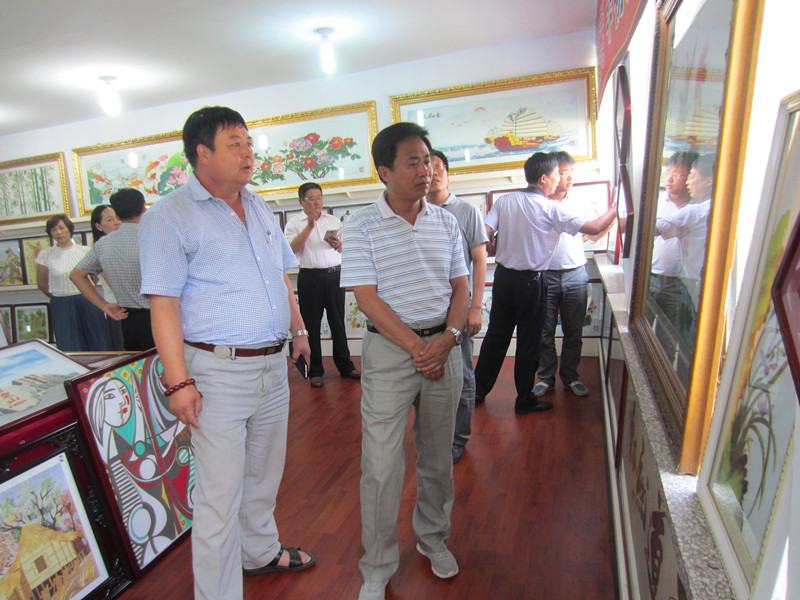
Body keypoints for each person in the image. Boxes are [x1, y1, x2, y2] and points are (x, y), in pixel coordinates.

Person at [138, 106, 316, 600]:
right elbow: (164, 304)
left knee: (264, 474)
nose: (248, 153)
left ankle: (259, 552)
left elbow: (280, 276)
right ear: (202, 153)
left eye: (249, 143)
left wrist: (299, 330)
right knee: (219, 495)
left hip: (272, 365)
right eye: (235, 143)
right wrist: (179, 381)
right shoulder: (170, 216)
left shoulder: (257, 205)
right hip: (216, 372)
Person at [340, 122, 469, 600]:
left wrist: (448, 338)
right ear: (384, 171)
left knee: (437, 458)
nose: (425, 170)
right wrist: (418, 348)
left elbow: (461, 287)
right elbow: (367, 298)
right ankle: (377, 564)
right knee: (380, 465)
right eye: (413, 161)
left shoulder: (446, 222)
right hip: (391, 353)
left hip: (444, 349)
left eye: (428, 160)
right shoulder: (361, 226)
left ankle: (433, 539)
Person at [474, 152, 616, 414]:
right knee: (529, 341)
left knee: (495, 336)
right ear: (543, 178)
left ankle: (477, 391)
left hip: (504, 280)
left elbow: (486, 231)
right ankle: (524, 400)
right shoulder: (551, 209)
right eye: (556, 175)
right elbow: (595, 228)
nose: (558, 180)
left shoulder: (506, 201)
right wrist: (617, 207)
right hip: (532, 282)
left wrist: (493, 242)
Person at [427, 149, 488, 464]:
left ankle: (458, 439)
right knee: (431, 375)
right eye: (429, 167)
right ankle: (436, 437)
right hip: (428, 310)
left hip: (459, 307)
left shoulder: (466, 211)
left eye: (439, 167)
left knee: (462, 373)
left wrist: (476, 307)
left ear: (448, 173)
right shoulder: (416, 213)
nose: (434, 173)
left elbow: (479, 261)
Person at [283, 182, 360, 388]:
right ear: (301, 201)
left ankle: (345, 366)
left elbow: (345, 249)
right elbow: (291, 250)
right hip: (310, 277)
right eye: (312, 198)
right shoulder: (294, 224)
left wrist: (339, 244)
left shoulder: (333, 221)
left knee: (338, 322)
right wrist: (310, 225)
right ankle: (315, 371)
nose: (317, 202)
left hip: (335, 275)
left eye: (319, 197)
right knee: (312, 325)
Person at [533, 151, 593, 399]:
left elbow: (593, 231)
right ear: (550, 175)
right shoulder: (538, 203)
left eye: (571, 173)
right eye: (563, 173)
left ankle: (571, 377)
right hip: (545, 275)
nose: (568, 178)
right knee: (543, 331)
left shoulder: (580, 202)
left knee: (573, 331)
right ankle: (545, 378)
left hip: (575, 274)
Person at [72, 192, 154, 351]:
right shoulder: (155, 236)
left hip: (128, 321)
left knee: (138, 365)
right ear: (144, 208)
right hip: (160, 317)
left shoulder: (103, 244)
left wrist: (104, 306)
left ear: (117, 213)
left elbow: (76, 275)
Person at [36, 214, 111, 351]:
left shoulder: (85, 251)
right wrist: (59, 295)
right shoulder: (45, 255)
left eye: (61, 228)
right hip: (61, 303)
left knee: (98, 339)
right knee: (69, 344)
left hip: (88, 300)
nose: (58, 232)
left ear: (69, 228)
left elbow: (94, 277)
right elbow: (42, 283)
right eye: (53, 230)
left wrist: (86, 291)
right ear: (50, 233)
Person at [648, 151, 698, 348]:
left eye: (676, 174)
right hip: (651, 278)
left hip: (681, 284)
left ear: (690, 176)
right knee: (643, 333)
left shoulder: (699, 206)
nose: (668, 179)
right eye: (667, 172)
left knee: (672, 339)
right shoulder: (655, 202)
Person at [88, 204, 124, 349]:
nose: (117, 223)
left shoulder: (125, 243)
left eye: (118, 218)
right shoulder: (101, 249)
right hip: (118, 307)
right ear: (98, 226)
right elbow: (114, 283)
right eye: (110, 220)